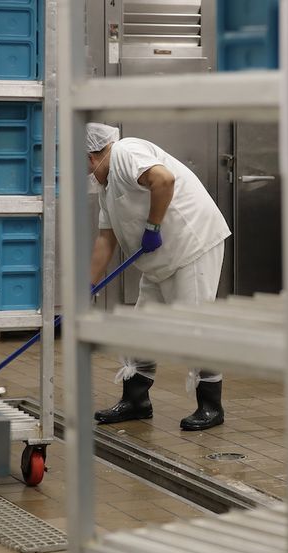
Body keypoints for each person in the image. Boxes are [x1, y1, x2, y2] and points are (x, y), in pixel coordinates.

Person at [85, 123, 232, 430]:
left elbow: (163, 179)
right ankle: (137, 400)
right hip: (158, 258)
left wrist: (152, 227)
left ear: (90, 156)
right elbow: (105, 240)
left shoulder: (125, 152)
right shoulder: (106, 186)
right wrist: (86, 286)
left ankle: (211, 406)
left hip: (192, 244)